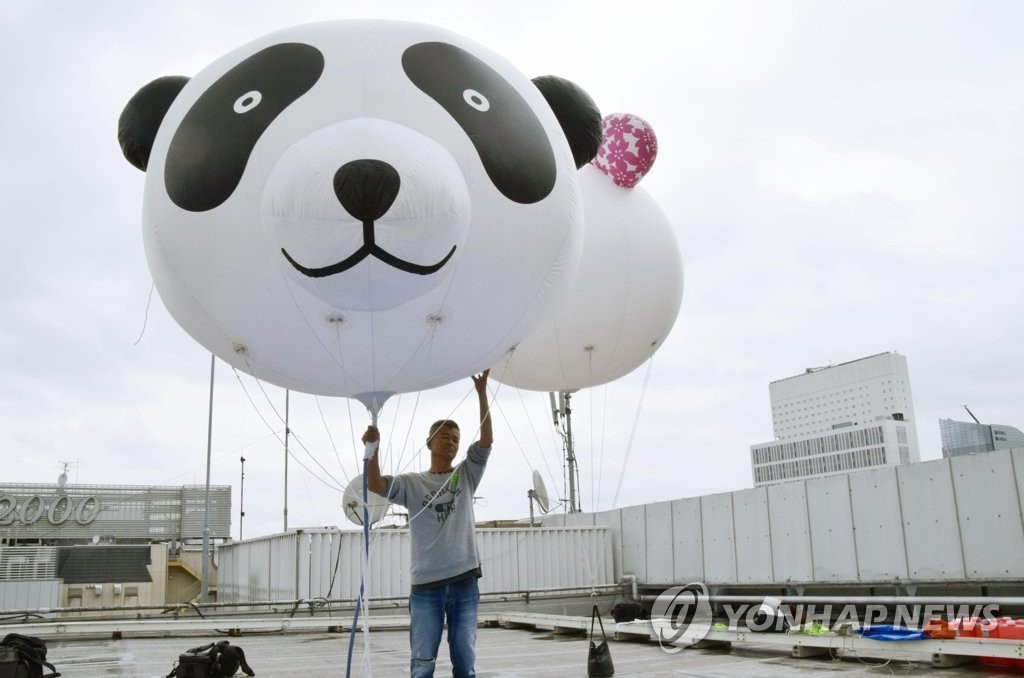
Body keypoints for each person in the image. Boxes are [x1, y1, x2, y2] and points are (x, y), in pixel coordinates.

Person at [363, 370, 492, 678]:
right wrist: (373, 449)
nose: (451, 442)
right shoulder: (412, 483)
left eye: (456, 439)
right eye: (445, 437)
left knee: (465, 661)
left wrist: (482, 393)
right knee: (422, 663)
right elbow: (376, 483)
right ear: (430, 443)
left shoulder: (465, 475)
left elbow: (486, 441)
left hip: (465, 582)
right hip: (425, 588)